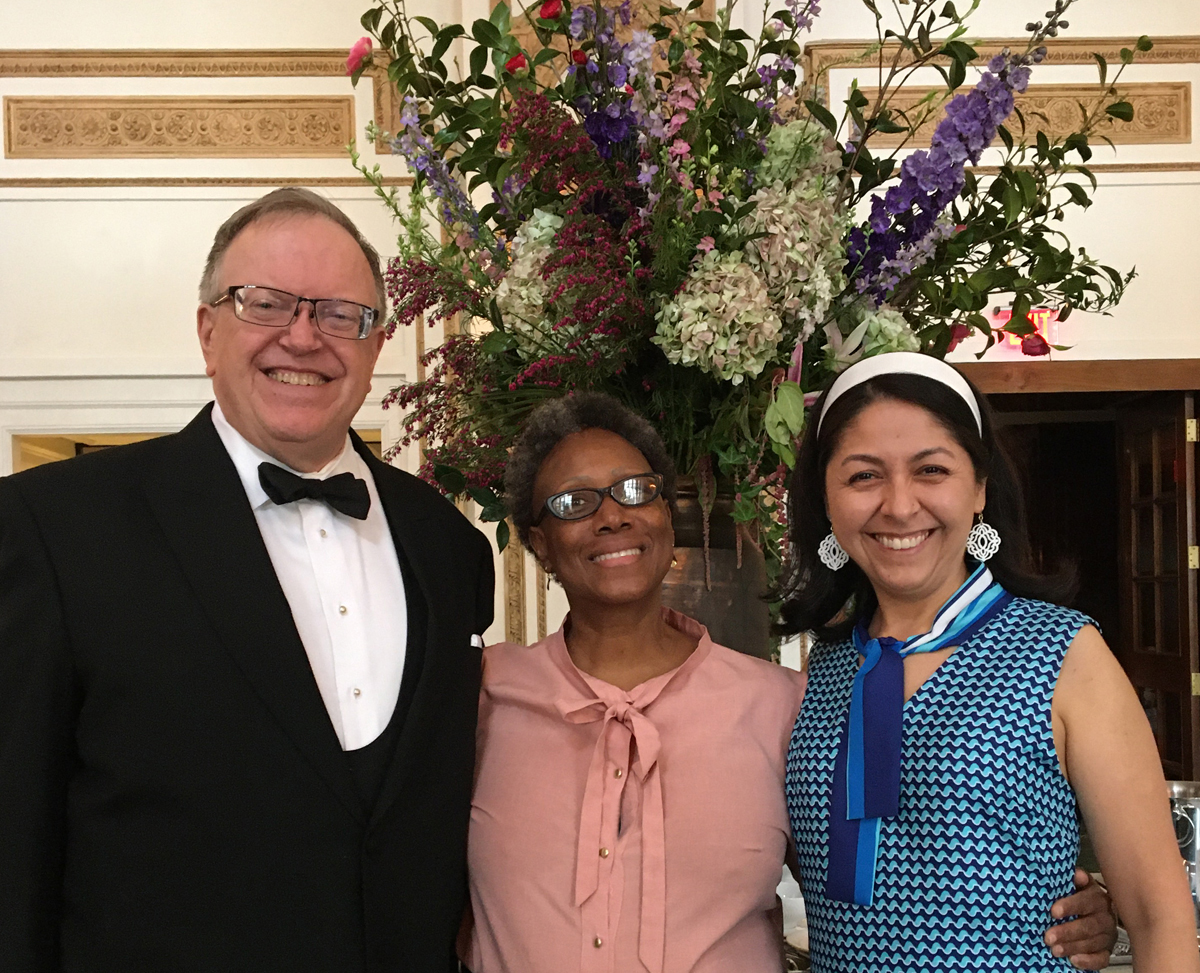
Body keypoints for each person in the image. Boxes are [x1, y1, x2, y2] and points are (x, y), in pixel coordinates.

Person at [0, 188, 495, 972]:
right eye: (265, 303)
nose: (303, 336)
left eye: (340, 314)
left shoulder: (448, 543)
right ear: (208, 330)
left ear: (376, 345)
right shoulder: (54, 526)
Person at [460, 391, 1116, 973]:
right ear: (539, 543)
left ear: (665, 511)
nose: (612, 515)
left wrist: (1069, 903)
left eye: (635, 490)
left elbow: (876, 886)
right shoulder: (479, 695)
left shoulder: (780, 704)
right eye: (574, 502)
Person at [779, 351, 1197, 972]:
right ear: (826, 499)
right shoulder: (825, 671)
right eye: (864, 476)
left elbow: (1160, 916)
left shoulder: (1062, 653)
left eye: (932, 470)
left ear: (979, 487)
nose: (899, 505)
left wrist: (1104, 905)